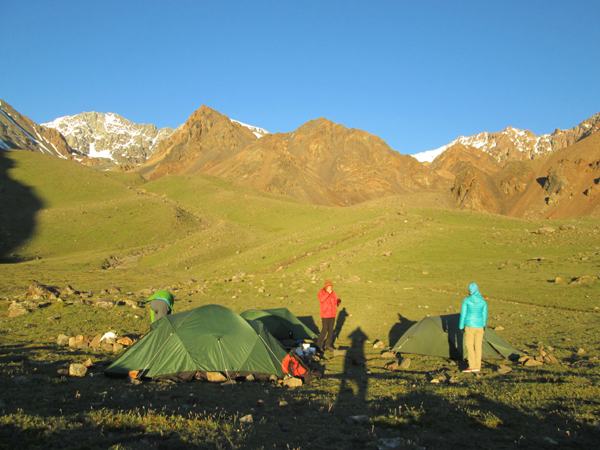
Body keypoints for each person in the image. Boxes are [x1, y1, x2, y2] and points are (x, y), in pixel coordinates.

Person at [459, 283, 488, 373]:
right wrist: (483, 325)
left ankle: (472, 366)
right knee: (478, 345)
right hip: (480, 326)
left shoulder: (466, 301)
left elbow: (463, 314)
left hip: (470, 325)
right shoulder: (483, 301)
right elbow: (484, 314)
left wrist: (461, 326)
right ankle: (478, 366)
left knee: (469, 345)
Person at [316, 280, 341, 352]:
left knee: (331, 330)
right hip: (325, 314)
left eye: (331, 287)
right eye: (329, 287)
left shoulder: (333, 293)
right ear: (326, 287)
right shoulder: (321, 292)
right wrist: (327, 294)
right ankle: (319, 346)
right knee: (324, 329)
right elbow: (321, 299)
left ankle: (328, 345)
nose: (330, 288)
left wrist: (338, 301)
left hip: (332, 314)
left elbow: (336, 301)